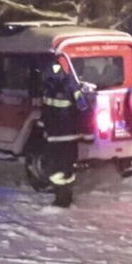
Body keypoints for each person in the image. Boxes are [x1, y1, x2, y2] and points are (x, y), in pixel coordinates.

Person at [40, 57, 87, 208]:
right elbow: (83, 107)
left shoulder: (48, 88)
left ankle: (61, 198)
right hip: (70, 135)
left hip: (54, 136)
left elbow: (45, 112)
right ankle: (67, 197)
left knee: (55, 169)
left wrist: (45, 129)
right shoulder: (72, 86)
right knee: (68, 167)